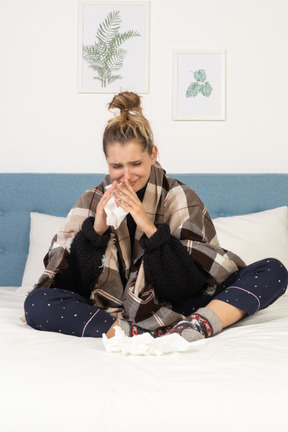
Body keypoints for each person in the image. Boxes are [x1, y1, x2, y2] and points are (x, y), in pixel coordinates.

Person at [24, 91, 288, 342]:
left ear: (153, 154)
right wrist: (96, 232)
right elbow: (75, 284)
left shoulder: (180, 196)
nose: (126, 176)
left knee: (273, 270)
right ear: (107, 162)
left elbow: (184, 287)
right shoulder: (92, 200)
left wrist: (150, 229)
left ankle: (196, 325)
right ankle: (129, 334)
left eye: (136, 164)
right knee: (35, 303)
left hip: (181, 303)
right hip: (109, 309)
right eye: (117, 166)